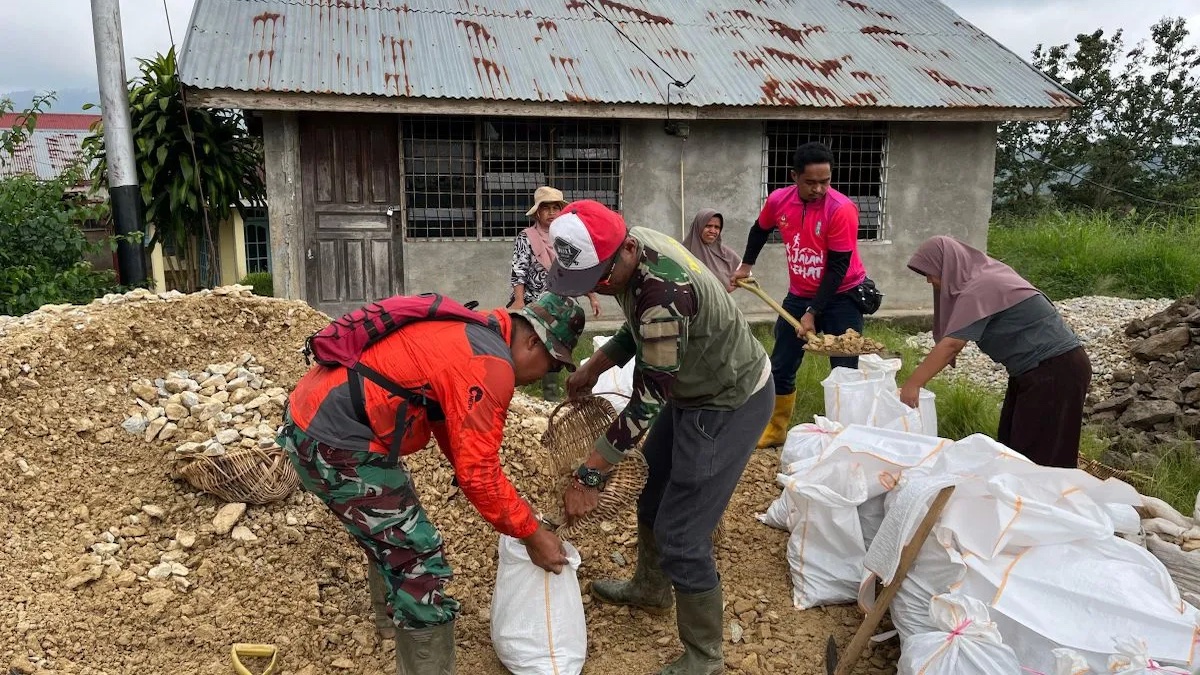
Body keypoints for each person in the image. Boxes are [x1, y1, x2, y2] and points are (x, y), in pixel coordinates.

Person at [277, 293, 586, 675]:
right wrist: (531, 533)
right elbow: (479, 475)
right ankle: (416, 641)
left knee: (396, 524)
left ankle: (393, 621)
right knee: (419, 564)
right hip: (335, 441)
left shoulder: (479, 328)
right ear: (532, 342)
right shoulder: (490, 364)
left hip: (316, 420)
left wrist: (496, 497)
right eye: (552, 365)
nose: (545, 375)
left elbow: (447, 423)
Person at [546, 199, 773, 675]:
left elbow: (648, 398)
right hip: (691, 388)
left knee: (683, 533)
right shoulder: (635, 250)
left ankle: (704, 656)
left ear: (625, 249)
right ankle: (651, 589)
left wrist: (589, 476)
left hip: (727, 398)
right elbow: (640, 327)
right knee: (652, 495)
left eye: (603, 279)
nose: (602, 289)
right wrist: (595, 365)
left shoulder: (665, 293)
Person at [900, 235, 1091, 468]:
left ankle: (1040, 502)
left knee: (1038, 457)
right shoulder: (985, 276)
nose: (929, 280)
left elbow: (952, 344)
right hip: (1036, 370)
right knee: (1014, 446)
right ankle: (1022, 500)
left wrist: (913, 384)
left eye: (930, 272)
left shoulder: (981, 287)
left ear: (947, 266)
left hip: (1056, 371)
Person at [729, 141, 870, 448]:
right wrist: (745, 266)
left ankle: (844, 437)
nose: (819, 188)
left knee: (844, 368)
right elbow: (760, 229)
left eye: (825, 181)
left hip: (842, 296)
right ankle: (776, 429)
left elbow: (837, 267)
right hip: (799, 293)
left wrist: (813, 312)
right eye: (811, 182)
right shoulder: (779, 200)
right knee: (781, 363)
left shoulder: (841, 209)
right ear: (794, 176)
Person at [511, 186, 601, 401]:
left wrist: (592, 296)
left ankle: (550, 396)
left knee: (556, 348)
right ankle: (520, 390)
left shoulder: (565, 238)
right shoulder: (527, 237)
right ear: (537, 212)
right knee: (535, 346)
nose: (551, 212)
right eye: (546, 208)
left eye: (556, 208)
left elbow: (576, 270)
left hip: (562, 307)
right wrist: (519, 300)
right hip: (536, 306)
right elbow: (518, 271)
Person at [682, 209, 740, 290]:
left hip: (717, 302)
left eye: (717, 227)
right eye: (708, 226)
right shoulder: (682, 252)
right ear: (698, 226)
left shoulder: (725, 253)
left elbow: (744, 275)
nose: (713, 231)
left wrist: (728, 289)